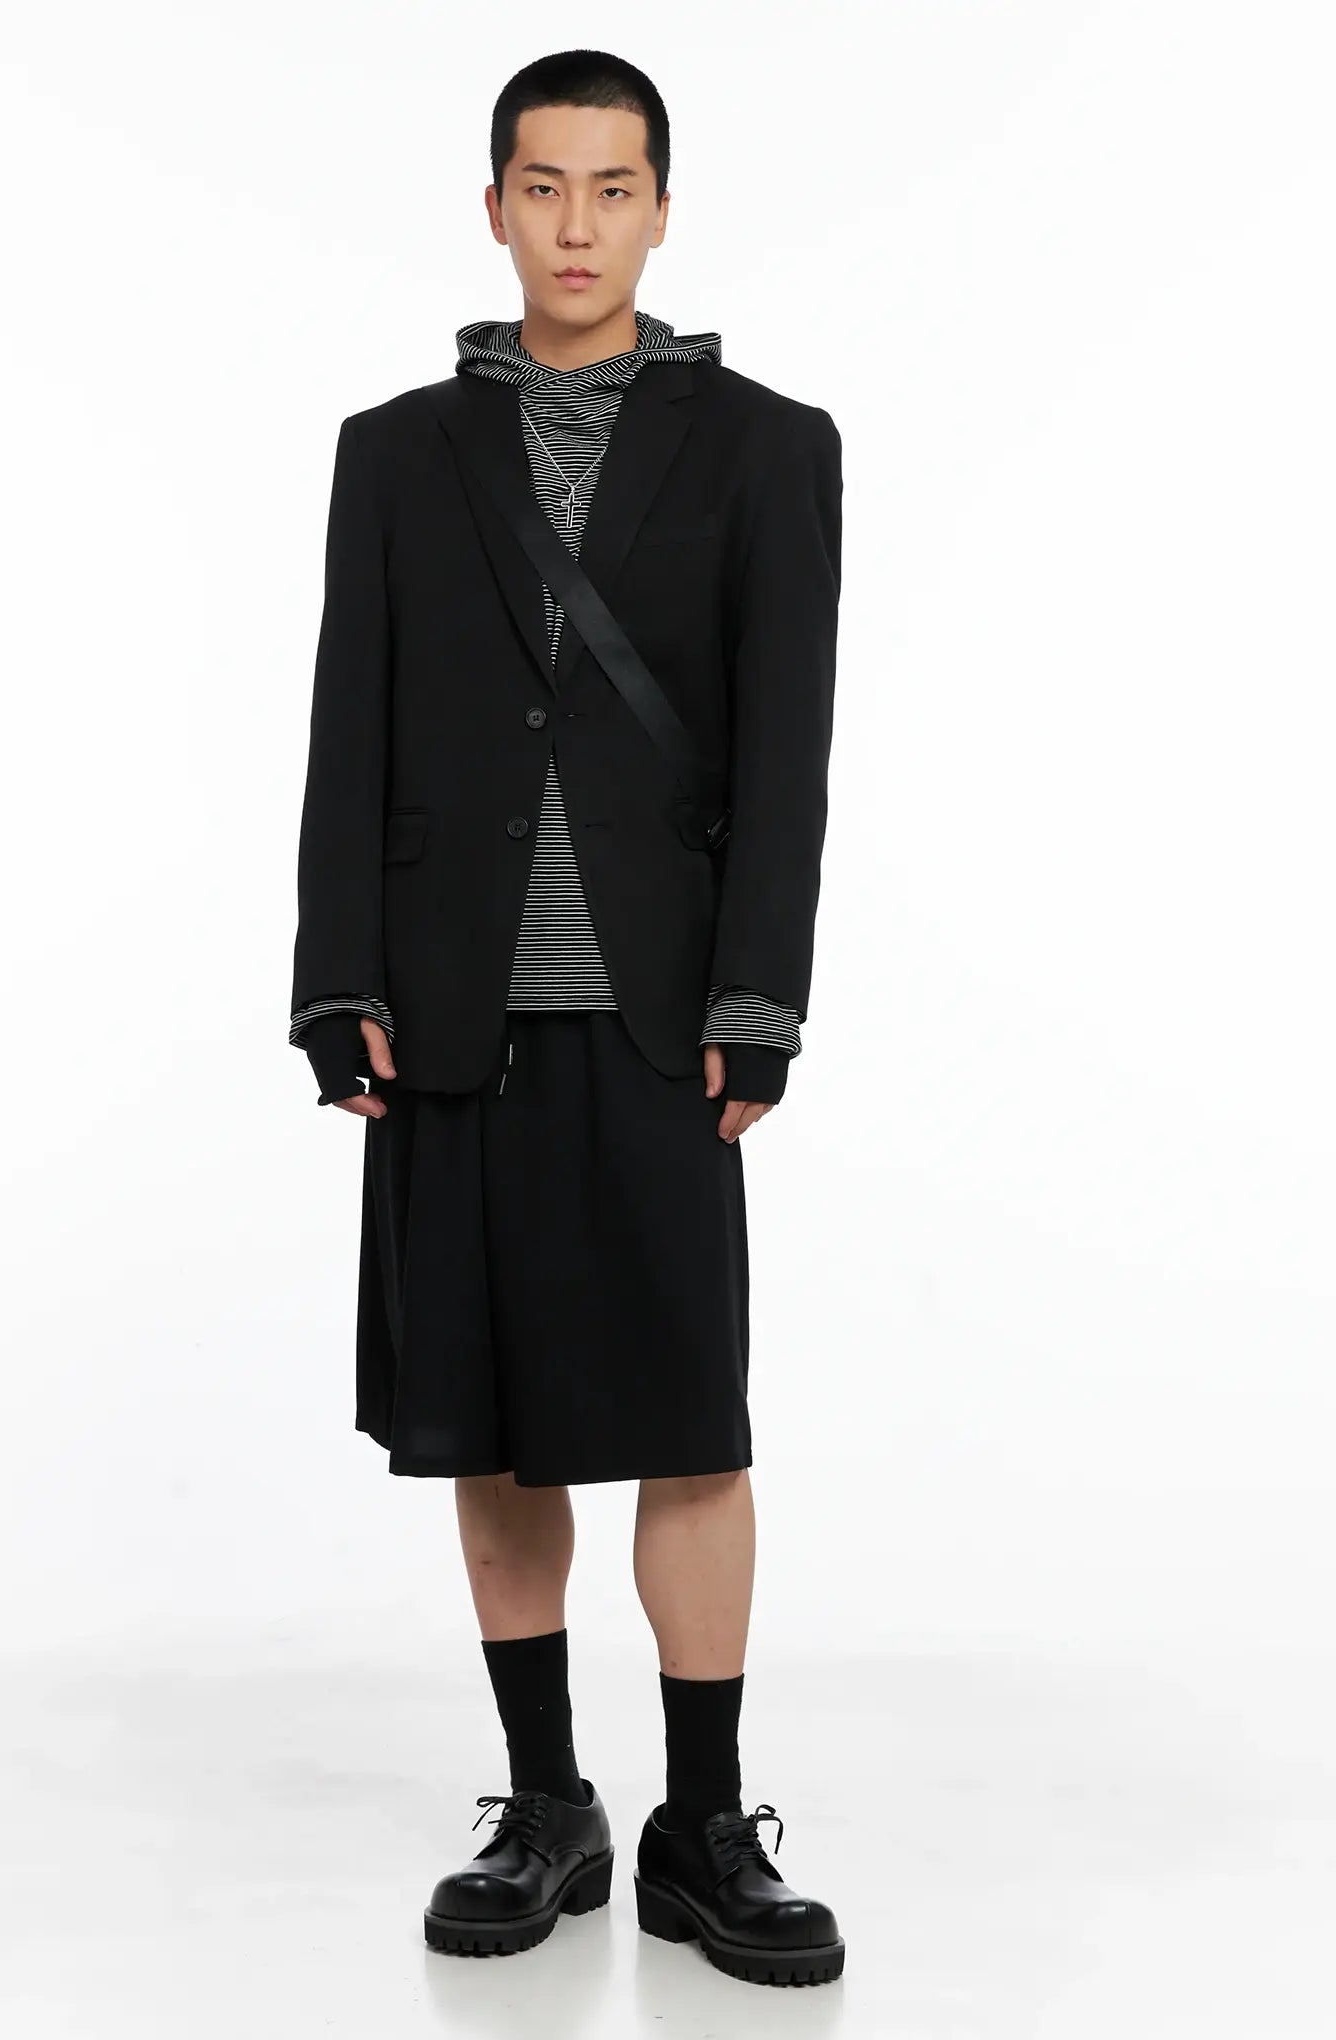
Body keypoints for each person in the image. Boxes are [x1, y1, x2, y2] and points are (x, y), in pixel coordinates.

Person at [288, 48, 845, 1988]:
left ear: (663, 209)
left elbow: (785, 750)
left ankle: (705, 1824)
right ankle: (548, 1804)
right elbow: (348, 723)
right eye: (545, 187)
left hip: (662, 1017)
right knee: (497, 1435)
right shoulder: (394, 452)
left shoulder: (769, 448)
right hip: (453, 1015)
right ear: (496, 207)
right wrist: (335, 979)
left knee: (692, 1427)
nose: (579, 225)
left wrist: (761, 994)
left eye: (615, 189)